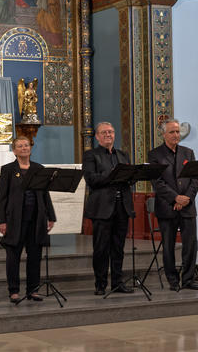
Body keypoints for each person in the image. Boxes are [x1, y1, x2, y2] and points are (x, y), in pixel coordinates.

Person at [0, 136, 57, 303]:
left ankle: (33, 290)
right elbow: (1, 197)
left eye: (26, 145)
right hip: (15, 220)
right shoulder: (8, 170)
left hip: (36, 219)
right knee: (13, 256)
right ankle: (14, 291)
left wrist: (50, 216)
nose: (24, 148)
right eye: (20, 146)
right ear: (14, 150)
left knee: (35, 256)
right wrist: (2, 221)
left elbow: (45, 195)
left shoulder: (39, 168)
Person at [147, 119, 198, 291]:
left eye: (178, 132)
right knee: (168, 246)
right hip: (167, 207)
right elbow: (158, 182)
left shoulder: (188, 153)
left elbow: (195, 179)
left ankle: (188, 279)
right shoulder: (155, 155)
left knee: (190, 245)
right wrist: (175, 198)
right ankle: (173, 280)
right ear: (163, 134)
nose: (176, 135)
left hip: (187, 206)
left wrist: (186, 198)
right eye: (172, 132)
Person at [82, 122, 135, 295]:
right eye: (104, 132)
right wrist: (113, 175)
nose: (108, 135)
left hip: (122, 206)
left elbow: (129, 178)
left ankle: (117, 282)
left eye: (111, 132)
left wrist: (132, 176)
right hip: (102, 208)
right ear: (97, 136)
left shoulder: (123, 154)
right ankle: (100, 284)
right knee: (101, 248)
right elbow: (92, 179)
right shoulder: (91, 155)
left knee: (118, 248)